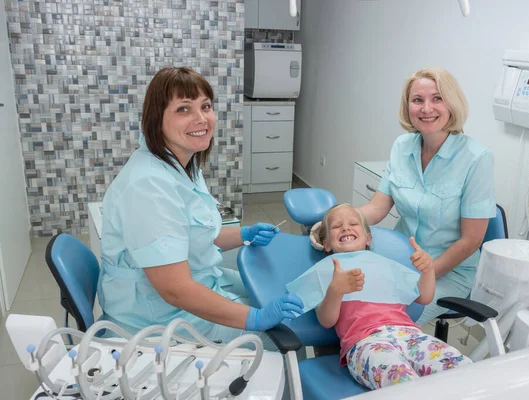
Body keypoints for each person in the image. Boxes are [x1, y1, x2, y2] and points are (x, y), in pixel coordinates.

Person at [97, 66, 303, 344]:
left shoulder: (182, 163)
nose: (201, 118)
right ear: (157, 119)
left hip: (196, 283)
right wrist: (253, 319)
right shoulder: (148, 187)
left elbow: (193, 235)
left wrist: (244, 234)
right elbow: (176, 291)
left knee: (278, 293)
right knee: (285, 338)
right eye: (183, 109)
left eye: (205, 106)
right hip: (160, 319)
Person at [312, 67, 496, 325]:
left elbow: (470, 241)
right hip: (396, 257)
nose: (426, 108)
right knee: (340, 300)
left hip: (445, 271)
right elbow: (377, 208)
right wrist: (333, 222)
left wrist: (422, 273)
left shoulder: (477, 158)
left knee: (382, 318)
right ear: (407, 105)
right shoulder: (402, 146)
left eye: (437, 98)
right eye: (417, 100)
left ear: (452, 104)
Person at [314, 204, 472, 390]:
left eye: (353, 223)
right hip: (365, 342)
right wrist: (336, 291)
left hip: (408, 334)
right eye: (336, 226)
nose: (345, 228)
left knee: (461, 370)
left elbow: (424, 297)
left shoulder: (386, 266)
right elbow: (326, 320)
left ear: (368, 238)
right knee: (403, 383)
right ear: (326, 244)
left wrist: (428, 270)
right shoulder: (326, 271)